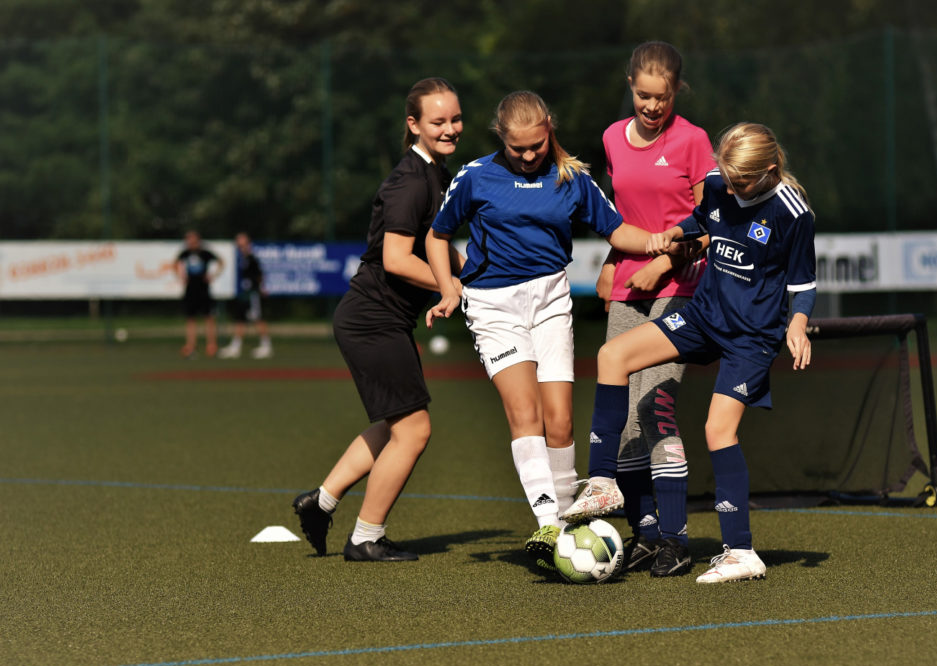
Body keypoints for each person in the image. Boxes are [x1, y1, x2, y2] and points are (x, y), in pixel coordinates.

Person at [563, 122, 817, 584]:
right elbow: (703, 219)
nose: (733, 188)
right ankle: (602, 484)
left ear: (770, 171)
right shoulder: (720, 184)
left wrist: (797, 325)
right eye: (729, 178)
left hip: (751, 338)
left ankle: (740, 552)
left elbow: (803, 282)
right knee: (611, 357)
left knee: (717, 430)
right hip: (703, 316)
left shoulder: (792, 212)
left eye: (743, 182)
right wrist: (672, 235)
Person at [425, 90, 657, 572]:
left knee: (562, 419)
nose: (529, 156)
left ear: (549, 127)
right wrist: (448, 287)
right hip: (493, 305)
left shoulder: (572, 177)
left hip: (551, 298)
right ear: (501, 141)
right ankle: (551, 525)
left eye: (537, 145)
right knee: (524, 410)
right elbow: (437, 234)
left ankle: (569, 522)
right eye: (518, 150)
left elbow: (617, 232)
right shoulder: (475, 176)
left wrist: (658, 241)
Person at [292, 77, 466, 562]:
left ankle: (320, 503)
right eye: (438, 121)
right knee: (414, 429)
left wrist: (466, 270)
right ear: (413, 125)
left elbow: (434, 243)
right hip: (372, 318)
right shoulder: (411, 179)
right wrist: (452, 286)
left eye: (455, 118)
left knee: (396, 424)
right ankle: (366, 537)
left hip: (382, 319)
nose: (450, 128)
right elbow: (395, 259)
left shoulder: (436, 173)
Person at [595, 41, 716, 577]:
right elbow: (624, 214)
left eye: (661, 97)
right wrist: (608, 262)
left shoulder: (692, 141)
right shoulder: (610, 139)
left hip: (681, 287)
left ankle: (676, 538)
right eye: (643, 95)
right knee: (622, 423)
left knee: (655, 407)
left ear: (676, 91)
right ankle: (643, 532)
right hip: (626, 286)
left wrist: (664, 266)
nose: (651, 106)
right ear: (630, 86)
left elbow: (712, 225)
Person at [219, 232, 273, 359]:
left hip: (252, 293)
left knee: (257, 318)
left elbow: (260, 276)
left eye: (243, 244)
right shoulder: (238, 259)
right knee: (240, 319)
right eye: (239, 244)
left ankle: (266, 346)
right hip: (242, 293)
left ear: (248, 244)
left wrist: (261, 288)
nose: (240, 246)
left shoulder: (252, 259)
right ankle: (235, 347)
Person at [175, 230, 222, 358]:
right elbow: (176, 264)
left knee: (209, 317)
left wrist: (213, 275)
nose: (190, 242)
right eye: (188, 239)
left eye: (192, 239)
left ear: (198, 239)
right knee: (190, 318)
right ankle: (191, 346)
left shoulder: (205, 253)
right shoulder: (185, 253)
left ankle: (211, 345)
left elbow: (221, 262)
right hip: (190, 289)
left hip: (203, 289)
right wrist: (181, 275)